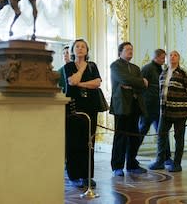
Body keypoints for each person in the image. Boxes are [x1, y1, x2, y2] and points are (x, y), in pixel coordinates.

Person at [63, 39, 101, 189]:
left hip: (91, 107)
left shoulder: (93, 66)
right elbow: (72, 81)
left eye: (83, 46)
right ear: (72, 50)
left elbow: (97, 83)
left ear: (87, 50)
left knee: (89, 142)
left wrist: (80, 83)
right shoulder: (69, 66)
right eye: (77, 46)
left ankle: (87, 175)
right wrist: (81, 69)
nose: (80, 49)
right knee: (74, 142)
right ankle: (74, 175)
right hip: (74, 107)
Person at [149, 50, 187, 172]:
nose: (172, 57)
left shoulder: (184, 74)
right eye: (170, 55)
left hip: (180, 111)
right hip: (165, 111)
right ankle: (160, 161)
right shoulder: (163, 73)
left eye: (175, 55)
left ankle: (177, 163)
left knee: (178, 137)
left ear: (178, 59)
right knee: (161, 135)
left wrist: (183, 103)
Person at [109, 42, 148, 177]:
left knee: (134, 137)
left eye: (131, 49)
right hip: (121, 106)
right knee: (120, 137)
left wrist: (131, 85)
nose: (130, 51)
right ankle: (117, 166)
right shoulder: (115, 65)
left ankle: (132, 164)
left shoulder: (136, 68)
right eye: (127, 49)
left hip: (135, 105)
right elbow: (123, 79)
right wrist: (138, 82)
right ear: (120, 52)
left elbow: (142, 86)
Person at [139, 49, 173, 167]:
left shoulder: (161, 70)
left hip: (158, 107)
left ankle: (166, 157)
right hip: (148, 107)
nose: (164, 60)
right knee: (141, 131)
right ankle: (131, 158)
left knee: (163, 133)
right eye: (163, 58)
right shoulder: (147, 68)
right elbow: (140, 85)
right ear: (157, 57)